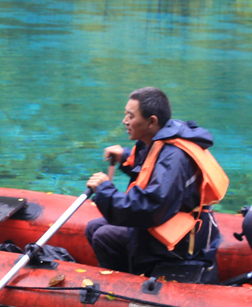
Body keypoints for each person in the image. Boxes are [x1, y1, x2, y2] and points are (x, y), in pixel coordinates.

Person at [83, 87, 229, 282]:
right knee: (94, 227)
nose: (125, 121)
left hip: (184, 244)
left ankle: (125, 288)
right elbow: (151, 167)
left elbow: (150, 207)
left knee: (104, 236)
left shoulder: (173, 156)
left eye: (130, 116)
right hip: (170, 219)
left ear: (151, 122)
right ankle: (126, 278)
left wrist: (104, 190)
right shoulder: (159, 138)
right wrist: (125, 157)